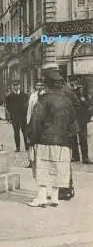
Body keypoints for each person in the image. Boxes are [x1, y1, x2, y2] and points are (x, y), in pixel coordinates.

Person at [27, 69, 78, 207]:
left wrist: (31, 138)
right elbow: (73, 123)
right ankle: (54, 198)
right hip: (63, 141)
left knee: (43, 168)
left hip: (45, 140)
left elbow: (36, 121)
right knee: (58, 168)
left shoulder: (43, 100)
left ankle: (42, 197)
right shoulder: (67, 101)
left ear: (47, 84)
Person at [26, 79, 46, 168]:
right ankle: (32, 161)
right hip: (33, 122)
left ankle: (42, 161)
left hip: (42, 122)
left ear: (44, 86)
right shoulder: (33, 96)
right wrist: (28, 121)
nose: (39, 87)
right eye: (37, 85)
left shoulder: (46, 95)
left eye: (41, 85)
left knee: (42, 142)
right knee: (32, 141)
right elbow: (29, 110)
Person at [73, 81, 93, 164]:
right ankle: (75, 156)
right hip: (74, 120)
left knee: (83, 139)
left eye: (82, 88)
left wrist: (83, 100)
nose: (80, 90)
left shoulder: (86, 97)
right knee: (74, 139)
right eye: (79, 88)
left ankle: (85, 157)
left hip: (83, 120)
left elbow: (89, 106)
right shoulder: (74, 97)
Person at [5, 80, 29, 152]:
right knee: (16, 133)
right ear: (12, 87)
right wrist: (10, 116)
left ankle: (27, 147)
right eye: (14, 85)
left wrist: (26, 114)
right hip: (15, 117)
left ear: (19, 86)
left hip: (23, 117)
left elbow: (27, 106)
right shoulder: (10, 96)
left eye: (17, 85)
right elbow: (8, 107)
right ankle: (17, 147)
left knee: (25, 132)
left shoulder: (24, 95)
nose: (16, 87)